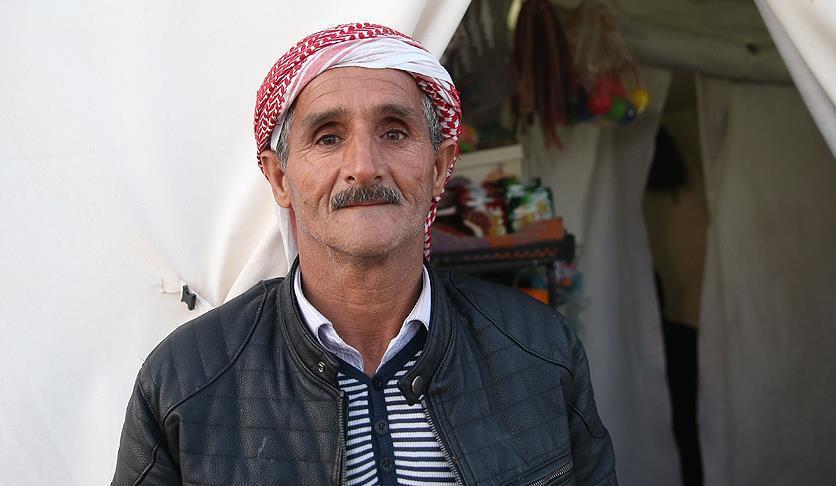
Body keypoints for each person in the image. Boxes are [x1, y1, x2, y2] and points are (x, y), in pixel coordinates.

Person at [112, 23, 616, 485]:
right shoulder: (186, 379)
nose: (364, 166)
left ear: (439, 167)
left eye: (394, 132)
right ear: (280, 178)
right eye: (328, 137)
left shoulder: (539, 349)